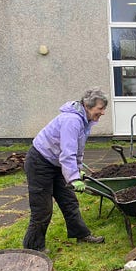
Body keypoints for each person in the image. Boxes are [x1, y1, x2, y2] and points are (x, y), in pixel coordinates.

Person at [23, 87, 108, 252]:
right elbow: (67, 152)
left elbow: (77, 149)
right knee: (42, 208)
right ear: (88, 106)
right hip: (40, 162)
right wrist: (73, 178)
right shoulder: (72, 120)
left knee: (69, 201)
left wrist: (77, 170)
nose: (103, 112)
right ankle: (33, 247)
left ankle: (81, 234)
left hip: (56, 163)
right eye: (100, 108)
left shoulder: (85, 120)